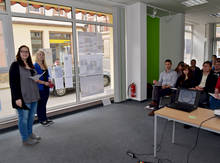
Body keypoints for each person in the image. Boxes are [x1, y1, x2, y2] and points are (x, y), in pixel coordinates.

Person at [9, 45, 43, 145]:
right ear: (19, 53)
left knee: (31, 117)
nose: (25, 53)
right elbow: (13, 83)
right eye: (23, 51)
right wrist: (17, 98)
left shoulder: (30, 64)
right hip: (23, 97)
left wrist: (36, 78)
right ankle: (25, 138)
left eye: (27, 52)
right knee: (23, 119)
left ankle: (30, 133)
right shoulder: (15, 65)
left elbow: (33, 78)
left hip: (33, 96)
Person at [34, 50, 54, 126]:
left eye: (42, 55)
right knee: (40, 104)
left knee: (44, 103)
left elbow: (47, 75)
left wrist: (49, 80)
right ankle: (41, 120)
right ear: (37, 56)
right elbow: (35, 79)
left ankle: (45, 118)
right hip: (40, 87)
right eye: (40, 55)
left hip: (46, 86)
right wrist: (44, 83)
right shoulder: (35, 65)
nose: (41, 56)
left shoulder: (44, 65)